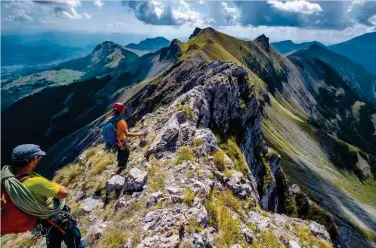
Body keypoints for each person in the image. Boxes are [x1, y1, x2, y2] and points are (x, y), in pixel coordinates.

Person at [5, 144, 84, 248]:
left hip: (41, 221)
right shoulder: (35, 182)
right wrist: (52, 184)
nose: (39, 158)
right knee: (72, 235)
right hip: (55, 217)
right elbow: (63, 193)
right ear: (33, 159)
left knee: (53, 240)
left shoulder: (11, 182)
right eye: (38, 156)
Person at [112, 102, 145, 174]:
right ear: (122, 110)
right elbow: (127, 134)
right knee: (126, 152)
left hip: (115, 140)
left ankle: (120, 164)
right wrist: (140, 134)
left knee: (120, 152)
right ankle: (122, 169)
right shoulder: (121, 121)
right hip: (121, 141)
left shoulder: (112, 119)